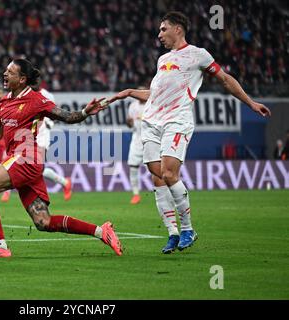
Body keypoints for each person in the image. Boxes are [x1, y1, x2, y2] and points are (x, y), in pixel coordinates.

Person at [108, 11, 271, 254]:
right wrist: (130, 91)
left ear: (178, 29)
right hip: (152, 122)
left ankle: (187, 229)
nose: (159, 34)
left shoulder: (198, 55)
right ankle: (172, 233)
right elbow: (155, 95)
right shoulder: (163, 60)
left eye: (163, 29)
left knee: (169, 172)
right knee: (156, 176)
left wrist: (250, 102)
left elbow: (225, 80)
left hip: (177, 121)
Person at [0, 58, 122, 258]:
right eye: (6, 70)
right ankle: (102, 231)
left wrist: (84, 112)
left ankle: (0, 246)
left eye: (10, 72)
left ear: (22, 79)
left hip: (25, 159)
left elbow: (67, 116)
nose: (5, 74)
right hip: (22, 162)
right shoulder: (4, 102)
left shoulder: (36, 100)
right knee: (43, 222)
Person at [36, 87, 73, 201]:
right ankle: (64, 182)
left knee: (37, 168)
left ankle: (63, 183)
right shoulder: (25, 93)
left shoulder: (47, 95)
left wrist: (49, 123)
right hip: (29, 132)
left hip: (42, 134)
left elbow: (55, 112)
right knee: (35, 168)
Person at [126, 86, 146, 204]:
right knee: (133, 167)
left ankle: (162, 192)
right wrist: (128, 122)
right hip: (137, 139)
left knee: (155, 168)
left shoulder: (152, 104)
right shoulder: (133, 106)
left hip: (150, 139)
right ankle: (136, 194)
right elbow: (131, 125)